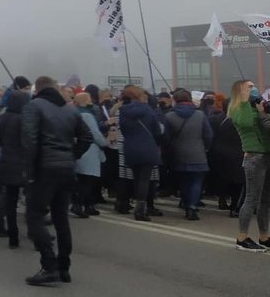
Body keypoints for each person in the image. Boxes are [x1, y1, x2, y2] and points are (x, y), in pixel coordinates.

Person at [21, 76, 93, 285]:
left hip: (44, 169)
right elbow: (86, 137)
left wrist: (30, 170)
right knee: (61, 219)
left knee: (34, 216)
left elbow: (29, 141)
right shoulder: (70, 109)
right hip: (66, 168)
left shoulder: (33, 107)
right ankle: (64, 267)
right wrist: (72, 155)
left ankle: (49, 265)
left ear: (37, 90)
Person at [228, 80, 270, 251]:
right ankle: (242, 237)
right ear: (240, 90)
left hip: (266, 155)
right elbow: (245, 123)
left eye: (254, 86)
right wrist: (245, 101)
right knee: (252, 198)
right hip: (254, 156)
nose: (254, 89)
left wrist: (262, 110)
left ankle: (264, 236)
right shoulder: (238, 108)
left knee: (265, 200)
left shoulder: (257, 108)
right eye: (250, 87)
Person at [0, 90, 30, 245]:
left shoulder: (3, 117)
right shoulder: (24, 119)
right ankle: (34, 231)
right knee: (30, 198)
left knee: (10, 200)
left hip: (7, 160)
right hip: (23, 162)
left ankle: (13, 235)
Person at [118, 86, 164, 222]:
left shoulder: (123, 111)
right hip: (147, 147)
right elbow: (157, 131)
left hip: (130, 147)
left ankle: (136, 205)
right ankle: (141, 210)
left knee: (137, 178)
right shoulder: (149, 110)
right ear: (140, 96)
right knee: (144, 179)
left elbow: (123, 129)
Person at [165, 91, 212, 221]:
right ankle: (192, 207)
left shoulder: (169, 116)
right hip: (198, 153)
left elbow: (166, 138)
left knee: (184, 181)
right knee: (196, 181)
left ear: (175, 100)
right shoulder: (200, 115)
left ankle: (186, 204)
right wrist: (206, 148)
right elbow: (208, 135)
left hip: (178, 153)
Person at [71, 93, 107, 219]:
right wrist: (105, 142)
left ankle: (88, 206)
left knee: (82, 179)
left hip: (78, 150)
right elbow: (94, 133)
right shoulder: (87, 115)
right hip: (90, 151)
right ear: (87, 101)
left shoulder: (73, 113)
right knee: (88, 181)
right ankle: (79, 204)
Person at [209, 97, 244, 218]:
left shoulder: (215, 119)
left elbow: (210, 135)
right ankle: (235, 207)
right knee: (238, 182)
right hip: (238, 153)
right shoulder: (240, 120)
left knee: (222, 179)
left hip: (218, 153)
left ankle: (222, 199)